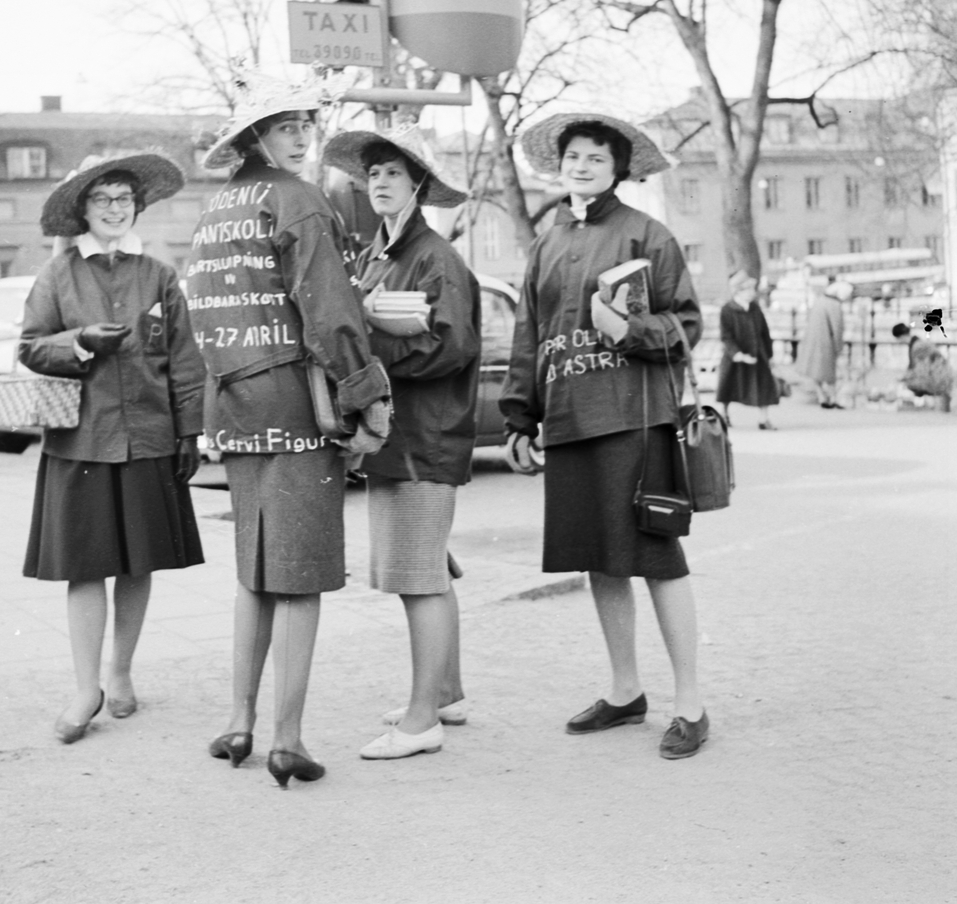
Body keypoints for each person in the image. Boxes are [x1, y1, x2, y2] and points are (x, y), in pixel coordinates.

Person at [187, 72, 389, 789]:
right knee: (299, 579)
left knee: (254, 573)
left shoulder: (217, 209)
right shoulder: (298, 199)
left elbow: (203, 317)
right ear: (255, 135)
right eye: (285, 124)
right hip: (298, 401)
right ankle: (287, 739)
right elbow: (329, 310)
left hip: (237, 404)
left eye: (307, 121)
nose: (302, 133)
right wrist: (367, 394)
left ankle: (239, 723)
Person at [500, 113, 710, 760]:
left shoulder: (648, 235)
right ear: (559, 166)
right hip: (568, 420)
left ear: (619, 168)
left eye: (597, 157)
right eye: (574, 156)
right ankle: (625, 691)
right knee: (598, 557)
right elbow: (529, 335)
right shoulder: (545, 242)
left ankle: (691, 704)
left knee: (657, 558)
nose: (583, 165)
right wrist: (518, 416)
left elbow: (688, 323)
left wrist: (631, 333)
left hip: (635, 416)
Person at [20, 153, 206, 744]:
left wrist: (189, 431)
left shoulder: (158, 275)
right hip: (82, 441)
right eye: (102, 198)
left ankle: (121, 673)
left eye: (124, 198)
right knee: (85, 568)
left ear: (137, 207)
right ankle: (86, 688)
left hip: (149, 437)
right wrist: (78, 342)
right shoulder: (58, 276)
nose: (114, 208)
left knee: (139, 561)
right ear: (83, 210)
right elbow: (29, 347)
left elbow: (184, 359)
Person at [323, 124, 480, 760]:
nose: (380, 183)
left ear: (419, 183)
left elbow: (452, 345)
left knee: (419, 577)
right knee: (428, 568)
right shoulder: (378, 257)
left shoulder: (436, 258)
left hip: (425, 438)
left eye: (394, 172)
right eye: (374, 174)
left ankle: (422, 721)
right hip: (401, 438)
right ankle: (446, 693)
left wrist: (369, 351)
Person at [716, 270, 780, 429]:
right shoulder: (727, 309)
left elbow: (765, 332)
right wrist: (737, 354)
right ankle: (724, 415)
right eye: (749, 289)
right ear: (739, 291)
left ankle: (764, 420)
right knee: (728, 387)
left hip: (757, 355)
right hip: (736, 357)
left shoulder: (755, 308)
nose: (753, 292)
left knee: (764, 387)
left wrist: (769, 355)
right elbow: (726, 336)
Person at [796, 279, 851, 408]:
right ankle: (832, 398)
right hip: (826, 343)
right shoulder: (834, 305)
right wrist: (839, 346)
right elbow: (837, 328)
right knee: (830, 373)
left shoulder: (819, 300)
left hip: (813, 341)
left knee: (816, 371)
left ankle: (822, 396)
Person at [892, 322, 954, 411]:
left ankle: (924, 404)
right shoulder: (917, 343)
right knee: (908, 382)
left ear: (900, 337)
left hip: (940, 380)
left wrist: (904, 378)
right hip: (941, 377)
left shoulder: (918, 346)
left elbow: (919, 370)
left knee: (909, 384)